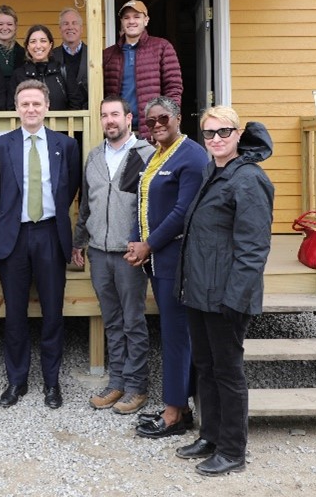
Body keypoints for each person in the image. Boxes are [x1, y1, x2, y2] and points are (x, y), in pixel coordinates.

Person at [174, 106, 275, 477]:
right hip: (200, 290)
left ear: (237, 134)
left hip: (226, 297)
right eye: (209, 134)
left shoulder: (249, 180)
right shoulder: (212, 171)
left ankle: (233, 450)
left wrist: (236, 298)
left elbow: (253, 248)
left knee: (228, 373)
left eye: (223, 132)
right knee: (205, 367)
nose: (216, 139)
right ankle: (210, 436)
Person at [0, 80, 80, 409]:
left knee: (53, 313)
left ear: (47, 107)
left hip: (51, 236)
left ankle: (52, 383)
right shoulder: (1, 145)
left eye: (37, 104)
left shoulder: (65, 146)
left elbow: (68, 189)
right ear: (16, 108)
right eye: (25, 104)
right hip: (15, 236)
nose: (31, 110)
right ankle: (17, 380)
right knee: (15, 314)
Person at [124, 97, 206, 434]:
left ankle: (173, 414)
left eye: (163, 119)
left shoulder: (193, 156)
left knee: (176, 337)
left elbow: (182, 213)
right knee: (174, 334)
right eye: (151, 121)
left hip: (176, 259)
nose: (157, 125)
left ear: (177, 118)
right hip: (157, 260)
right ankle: (180, 407)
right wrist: (135, 240)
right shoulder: (157, 155)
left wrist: (149, 245)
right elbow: (144, 202)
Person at [71, 97, 154, 414]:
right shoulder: (94, 157)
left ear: (129, 118)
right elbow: (87, 204)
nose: (110, 120)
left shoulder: (146, 155)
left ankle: (137, 386)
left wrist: (147, 244)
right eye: (104, 115)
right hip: (99, 254)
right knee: (112, 321)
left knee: (133, 321)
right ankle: (116, 382)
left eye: (115, 114)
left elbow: (152, 206)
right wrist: (79, 242)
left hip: (129, 254)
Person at [102, 0, 183, 139]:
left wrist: (166, 121)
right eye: (126, 18)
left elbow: (173, 87)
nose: (131, 21)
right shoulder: (108, 54)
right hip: (119, 131)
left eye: (136, 17)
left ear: (146, 20)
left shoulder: (162, 47)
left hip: (153, 130)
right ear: (121, 22)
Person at [8, 25, 81, 110]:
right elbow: (12, 107)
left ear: (50, 45)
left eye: (43, 41)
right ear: (27, 46)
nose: (38, 46)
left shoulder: (63, 71)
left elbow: (76, 104)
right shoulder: (19, 75)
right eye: (33, 42)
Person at [0, 5, 26, 94]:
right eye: (0, 24)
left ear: (15, 27)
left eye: (9, 24)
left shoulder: (24, 54)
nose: (5, 28)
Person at [57, 8, 88, 109]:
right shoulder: (51, 56)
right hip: (61, 115)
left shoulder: (94, 55)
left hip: (89, 114)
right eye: (66, 23)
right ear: (60, 28)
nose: (70, 27)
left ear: (81, 28)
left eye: (74, 23)